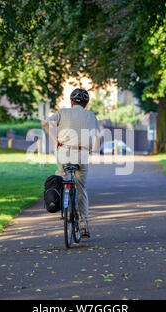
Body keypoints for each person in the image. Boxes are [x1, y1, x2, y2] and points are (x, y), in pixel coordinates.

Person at [41, 88, 100, 238]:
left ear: (71, 101)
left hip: (63, 153)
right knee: (81, 189)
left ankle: (62, 202)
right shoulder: (91, 115)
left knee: (61, 176)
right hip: (82, 155)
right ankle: (83, 224)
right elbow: (97, 137)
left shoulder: (62, 112)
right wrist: (93, 149)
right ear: (86, 104)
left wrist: (56, 141)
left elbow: (44, 123)